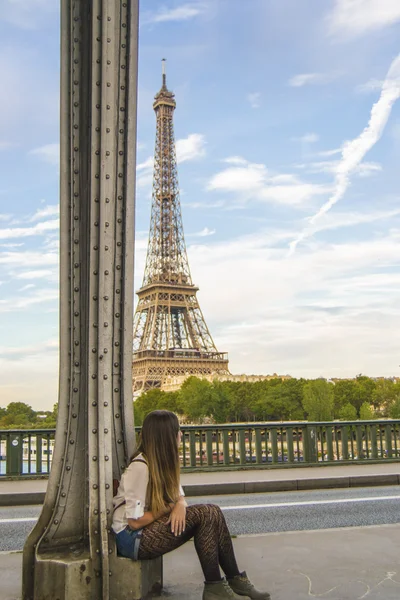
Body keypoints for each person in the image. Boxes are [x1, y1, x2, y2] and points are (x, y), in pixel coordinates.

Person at [112, 410, 270, 600]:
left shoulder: (164, 463)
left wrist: (180, 504)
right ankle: (217, 586)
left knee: (213, 512)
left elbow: (179, 496)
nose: (181, 435)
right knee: (206, 514)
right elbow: (135, 521)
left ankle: (230, 581)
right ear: (167, 436)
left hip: (143, 531)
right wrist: (168, 508)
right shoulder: (140, 468)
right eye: (177, 431)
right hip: (130, 538)